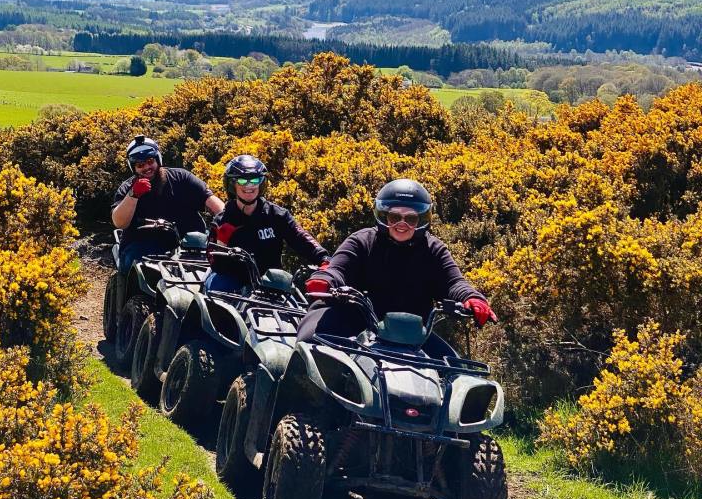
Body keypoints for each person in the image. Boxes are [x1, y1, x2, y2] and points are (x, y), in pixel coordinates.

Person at [297, 178, 497, 347]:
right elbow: (338, 268)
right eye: (394, 217)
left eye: (411, 219)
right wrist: (325, 278)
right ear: (383, 216)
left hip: (409, 333)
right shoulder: (361, 241)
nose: (402, 224)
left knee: (455, 373)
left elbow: (454, 282)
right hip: (354, 320)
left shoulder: (434, 249)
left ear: (422, 220)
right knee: (310, 342)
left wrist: (472, 297)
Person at [206, 154, 330, 293]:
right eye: (242, 180)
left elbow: (300, 238)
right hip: (233, 283)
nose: (249, 185)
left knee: (300, 310)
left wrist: (324, 260)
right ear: (232, 184)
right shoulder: (222, 221)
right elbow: (214, 262)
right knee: (216, 288)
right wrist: (222, 245)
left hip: (272, 282)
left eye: (254, 180)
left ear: (262, 183)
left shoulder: (277, 215)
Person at [112, 135, 225, 275]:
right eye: (140, 165)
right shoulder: (126, 188)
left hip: (190, 242)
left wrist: (226, 223)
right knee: (139, 271)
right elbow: (119, 222)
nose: (147, 167)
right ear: (133, 167)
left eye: (150, 161)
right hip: (143, 245)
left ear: (158, 159)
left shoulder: (181, 177)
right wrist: (133, 194)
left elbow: (211, 200)